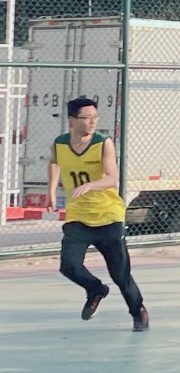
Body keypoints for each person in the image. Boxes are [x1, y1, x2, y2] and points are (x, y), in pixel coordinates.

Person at [47, 97, 148, 332]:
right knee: (68, 266)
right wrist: (51, 190)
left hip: (108, 216)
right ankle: (95, 289)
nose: (92, 122)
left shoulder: (103, 143)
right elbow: (54, 162)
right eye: (86, 118)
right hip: (78, 217)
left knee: (120, 274)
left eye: (95, 117)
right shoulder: (60, 144)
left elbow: (112, 178)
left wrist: (90, 185)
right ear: (72, 120)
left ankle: (138, 311)